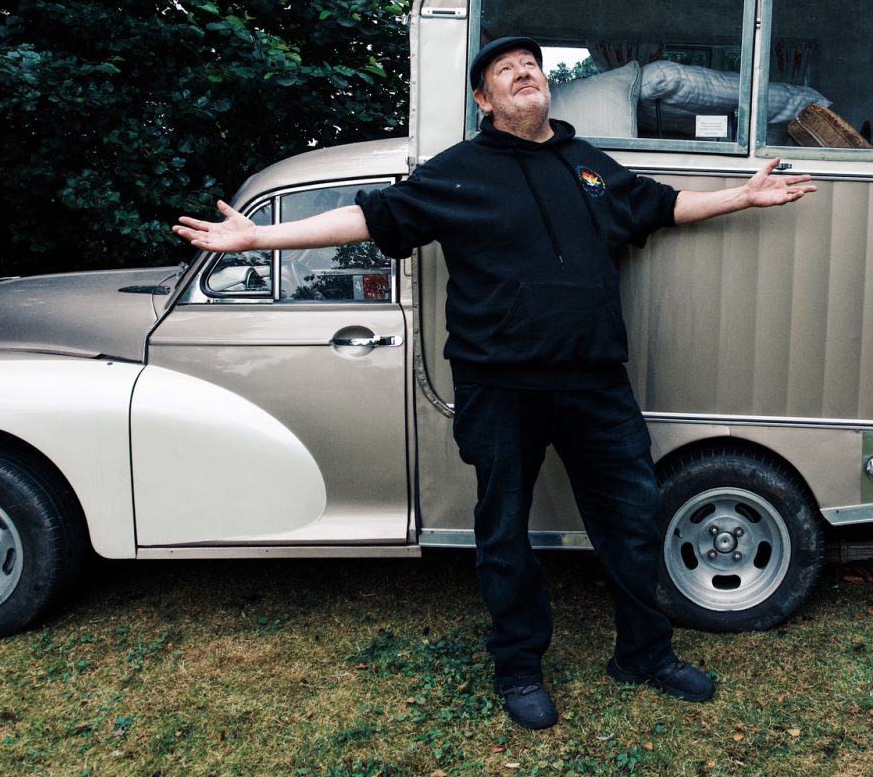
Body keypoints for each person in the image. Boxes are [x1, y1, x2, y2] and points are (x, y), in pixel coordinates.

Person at [174, 36, 814, 730]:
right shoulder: (458, 172)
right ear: (485, 100)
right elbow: (370, 217)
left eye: (531, 66)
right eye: (505, 71)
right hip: (499, 386)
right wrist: (262, 239)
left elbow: (659, 205)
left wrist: (743, 198)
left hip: (595, 383)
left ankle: (645, 655)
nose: (523, 74)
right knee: (504, 533)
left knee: (631, 523)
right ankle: (518, 667)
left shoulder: (588, 166)